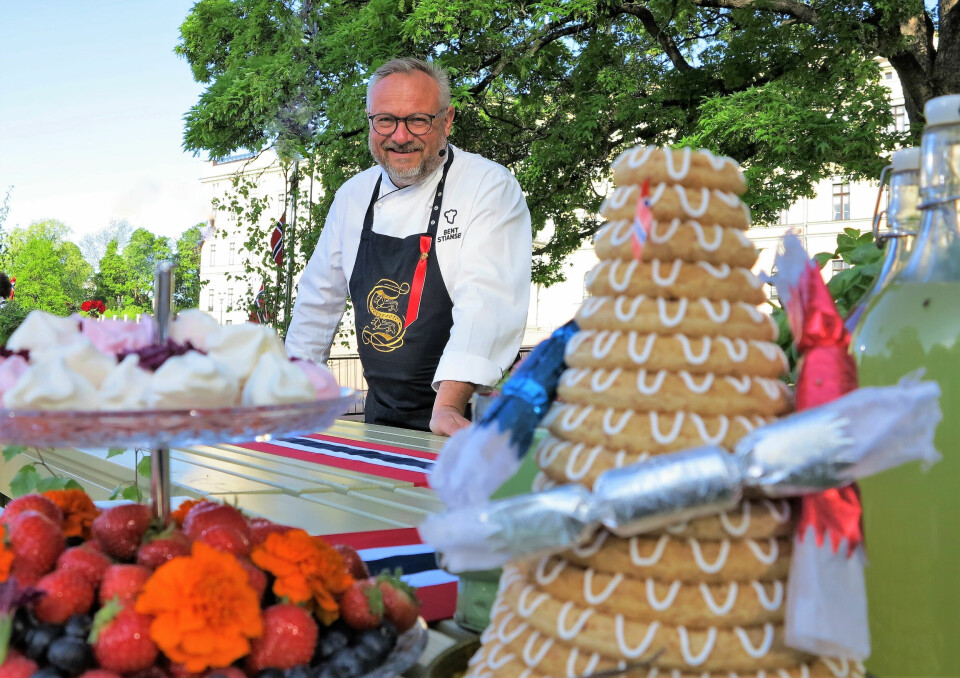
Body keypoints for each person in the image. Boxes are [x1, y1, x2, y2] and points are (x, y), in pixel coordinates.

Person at [286, 57, 532, 436]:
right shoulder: (352, 196)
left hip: (461, 418)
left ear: (447, 120)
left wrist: (448, 405)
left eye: (418, 120)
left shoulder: (487, 186)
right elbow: (316, 304)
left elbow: (487, 303)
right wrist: (294, 394)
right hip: (379, 418)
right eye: (385, 120)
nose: (400, 137)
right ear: (370, 120)